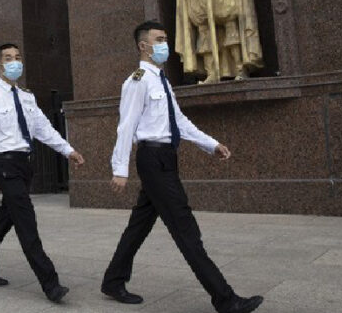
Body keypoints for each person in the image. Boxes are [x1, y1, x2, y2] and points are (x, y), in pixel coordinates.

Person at [100, 21, 263, 313]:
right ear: (143, 46)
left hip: (165, 159)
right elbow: (125, 127)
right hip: (152, 159)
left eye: (165, 39)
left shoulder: (162, 81)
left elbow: (180, 122)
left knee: (139, 225)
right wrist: (119, 170)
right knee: (185, 227)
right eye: (159, 40)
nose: (165, 45)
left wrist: (211, 144)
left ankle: (113, 281)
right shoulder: (137, 81)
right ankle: (225, 299)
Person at [0, 43, 85, 303]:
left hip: (25, 164)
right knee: (26, 222)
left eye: (17, 57)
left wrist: (67, 150)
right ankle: (51, 284)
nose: (14, 62)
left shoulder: (27, 96)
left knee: (6, 217)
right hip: (5, 165)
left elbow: (43, 128)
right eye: (8, 58)